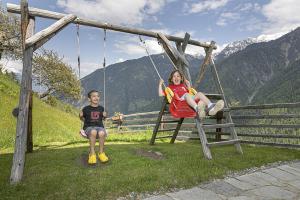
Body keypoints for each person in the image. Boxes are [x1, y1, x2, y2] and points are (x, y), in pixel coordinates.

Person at [158, 70, 224, 119]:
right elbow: (160, 94)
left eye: (178, 76)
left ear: (181, 78)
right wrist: (160, 84)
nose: (176, 78)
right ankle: (198, 109)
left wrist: (189, 86)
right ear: (172, 79)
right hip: (179, 102)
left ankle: (211, 108)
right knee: (187, 95)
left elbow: (190, 93)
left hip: (187, 100)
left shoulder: (183, 86)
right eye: (174, 76)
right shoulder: (170, 87)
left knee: (200, 94)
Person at [79, 90, 109, 164]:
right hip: (88, 127)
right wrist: (81, 116)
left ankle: (101, 153)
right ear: (89, 99)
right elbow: (83, 119)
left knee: (102, 133)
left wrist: (105, 116)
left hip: (99, 127)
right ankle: (92, 153)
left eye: (98, 96)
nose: (96, 98)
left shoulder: (101, 108)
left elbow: (104, 119)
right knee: (93, 131)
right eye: (94, 96)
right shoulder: (85, 109)